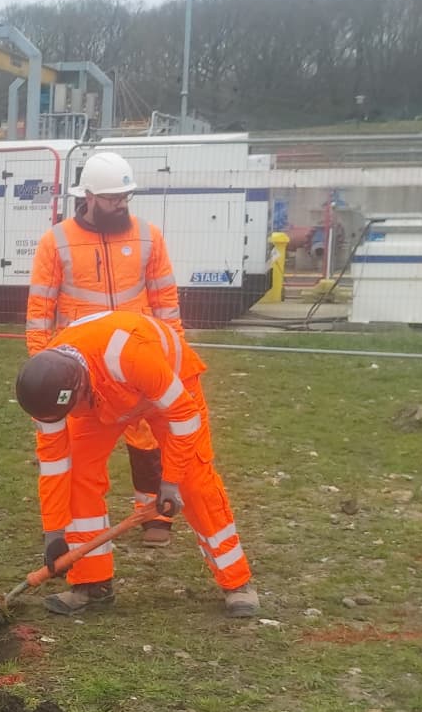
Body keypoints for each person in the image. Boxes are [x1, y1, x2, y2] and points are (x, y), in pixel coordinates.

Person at [15, 309, 259, 619]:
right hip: (106, 397)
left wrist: (169, 481)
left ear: (80, 390)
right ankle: (92, 584)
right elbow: (53, 466)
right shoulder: (48, 395)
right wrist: (53, 533)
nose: (67, 420)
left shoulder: (129, 354)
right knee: (77, 474)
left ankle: (236, 582)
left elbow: (184, 418)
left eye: (71, 411)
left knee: (194, 481)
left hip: (170, 388)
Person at [26, 149, 182, 547]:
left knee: (147, 435)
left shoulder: (148, 236)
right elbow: (40, 310)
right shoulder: (56, 242)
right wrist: (42, 370)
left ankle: (153, 515)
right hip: (81, 369)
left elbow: (165, 301)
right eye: (113, 198)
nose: (120, 205)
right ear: (89, 196)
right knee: (80, 455)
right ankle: (85, 532)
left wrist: (173, 356)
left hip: (137, 359)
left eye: (125, 198)